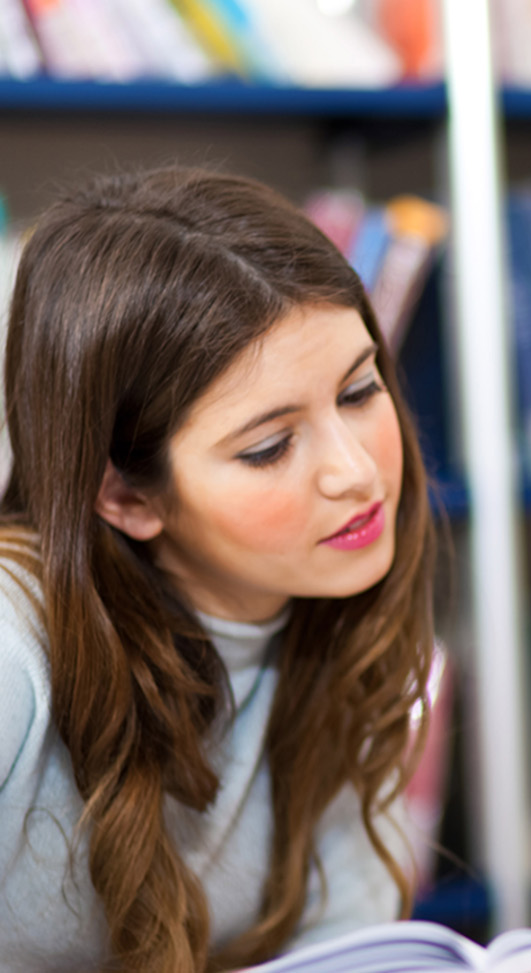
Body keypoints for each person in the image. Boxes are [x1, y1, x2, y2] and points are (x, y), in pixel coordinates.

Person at [0, 167, 438, 972]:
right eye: (269, 446)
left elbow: (346, 948)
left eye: (359, 389)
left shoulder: (323, 617)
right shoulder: (10, 650)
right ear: (125, 496)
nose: (357, 473)